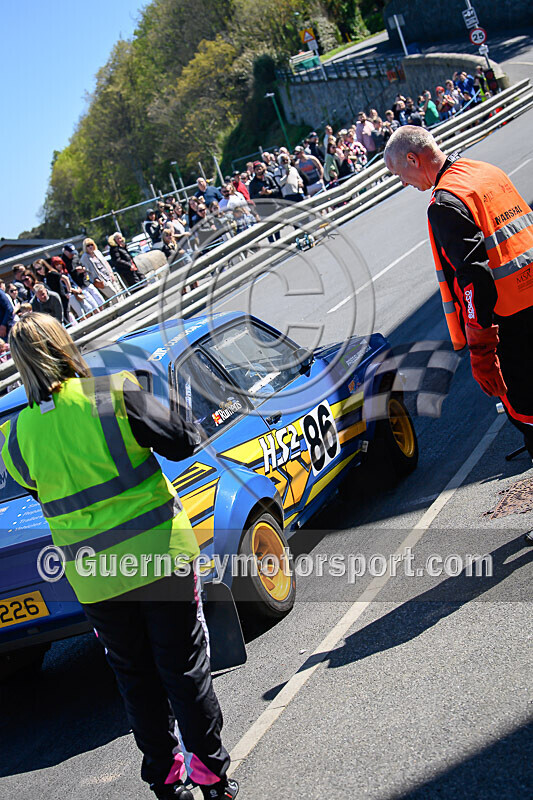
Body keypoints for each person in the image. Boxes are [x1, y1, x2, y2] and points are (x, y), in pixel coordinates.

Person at [0, 313, 239, 800]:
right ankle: (211, 778)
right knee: (184, 668)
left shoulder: (15, 436)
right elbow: (184, 439)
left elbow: (32, 484)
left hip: (94, 575)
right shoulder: (113, 392)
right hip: (157, 555)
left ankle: (167, 783)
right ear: (66, 345)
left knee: (135, 678)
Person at [384, 126, 533, 460]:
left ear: (413, 158)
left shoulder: (444, 204)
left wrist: (480, 349)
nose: (404, 184)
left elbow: (473, 278)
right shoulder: (483, 171)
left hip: (511, 316)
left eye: (400, 175)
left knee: (523, 405)